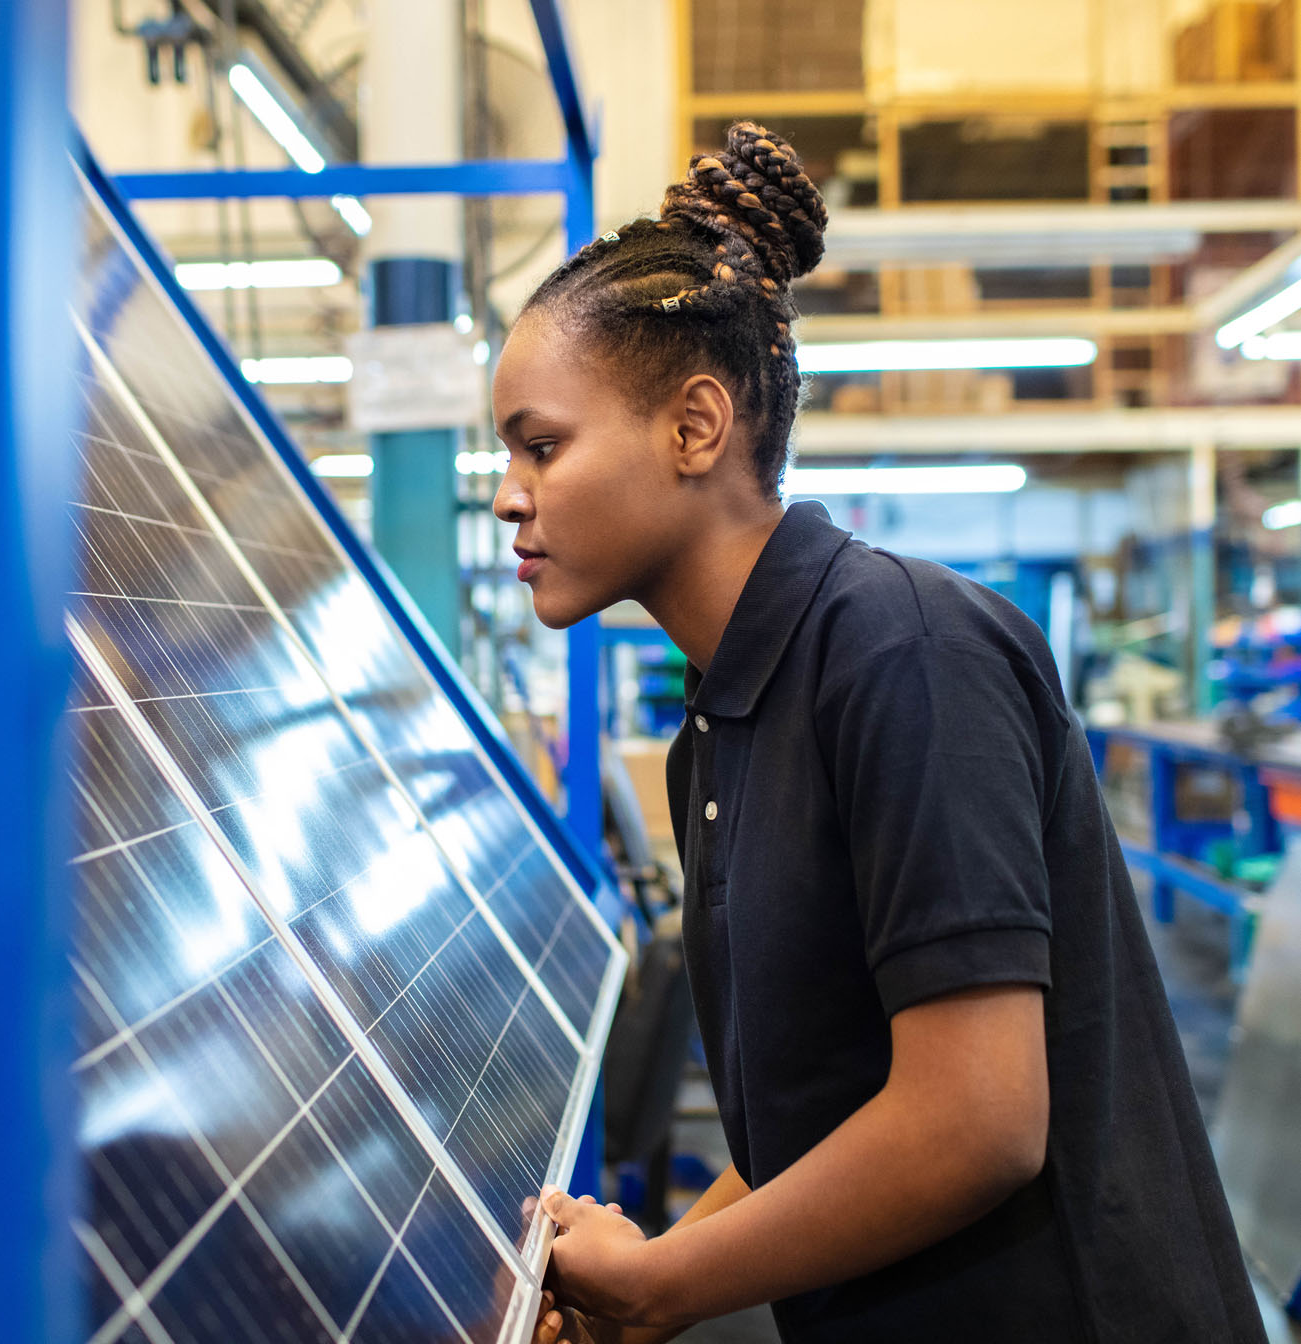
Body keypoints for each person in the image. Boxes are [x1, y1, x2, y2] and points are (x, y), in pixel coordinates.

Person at [492, 122, 1266, 1343]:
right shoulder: (724, 730)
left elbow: (975, 1122)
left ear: (694, 428)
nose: (506, 493)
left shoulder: (903, 654)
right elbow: (828, 1119)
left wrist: (672, 1284)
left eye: (541, 444)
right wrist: (650, 1284)